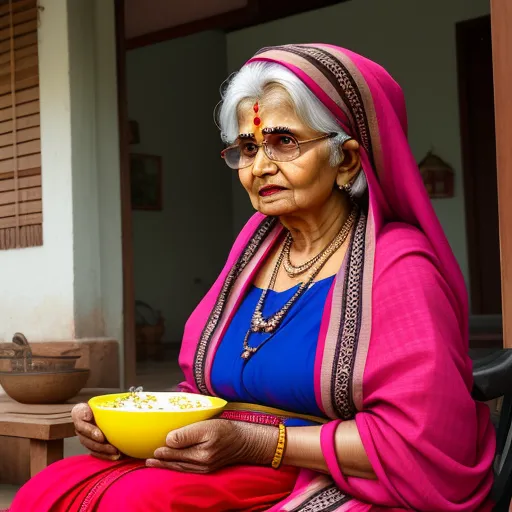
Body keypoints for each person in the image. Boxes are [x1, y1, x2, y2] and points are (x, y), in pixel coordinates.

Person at [8, 44, 495, 511]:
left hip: (321, 470)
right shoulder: (256, 251)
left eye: (284, 141)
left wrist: (260, 443)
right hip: (233, 463)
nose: (259, 166)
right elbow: (208, 388)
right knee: (50, 486)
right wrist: (128, 424)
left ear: (345, 159)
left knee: (138, 502)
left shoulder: (398, 266)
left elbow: (422, 438)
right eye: (246, 146)